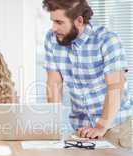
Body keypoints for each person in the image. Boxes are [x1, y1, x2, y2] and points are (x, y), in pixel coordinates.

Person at [42, 0, 132, 148]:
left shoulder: (107, 40)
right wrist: (54, 122)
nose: (53, 28)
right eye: (52, 21)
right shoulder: (52, 39)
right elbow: (54, 83)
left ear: (79, 21)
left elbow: (115, 87)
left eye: (59, 22)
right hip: (81, 129)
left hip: (116, 127)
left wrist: (101, 126)